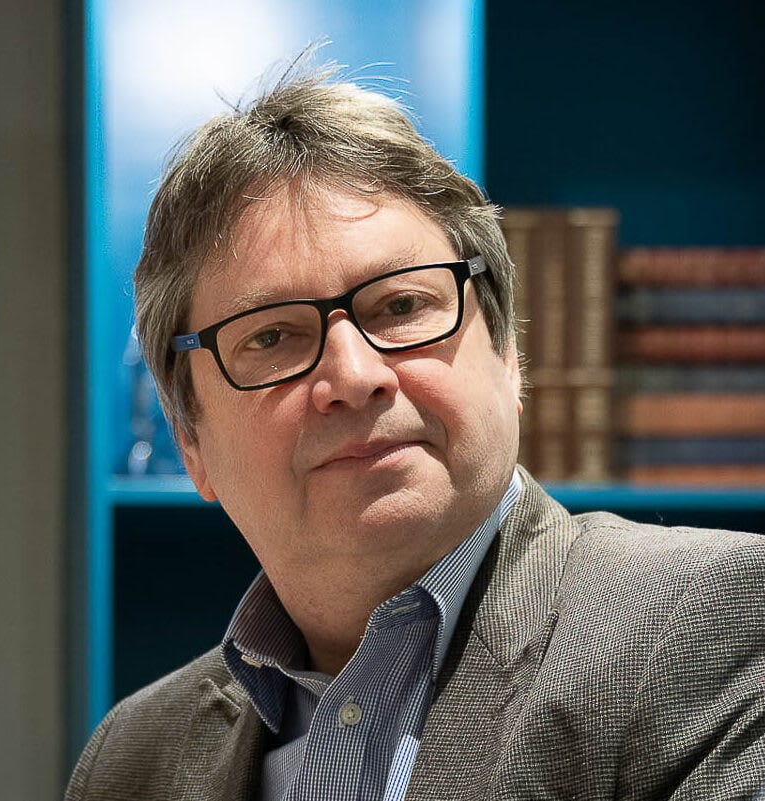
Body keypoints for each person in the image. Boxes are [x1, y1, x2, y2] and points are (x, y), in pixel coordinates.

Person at [66, 60, 765, 801]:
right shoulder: (130, 758)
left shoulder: (714, 621)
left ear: (507, 355)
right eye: (270, 337)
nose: (353, 375)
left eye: (401, 306)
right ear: (191, 442)